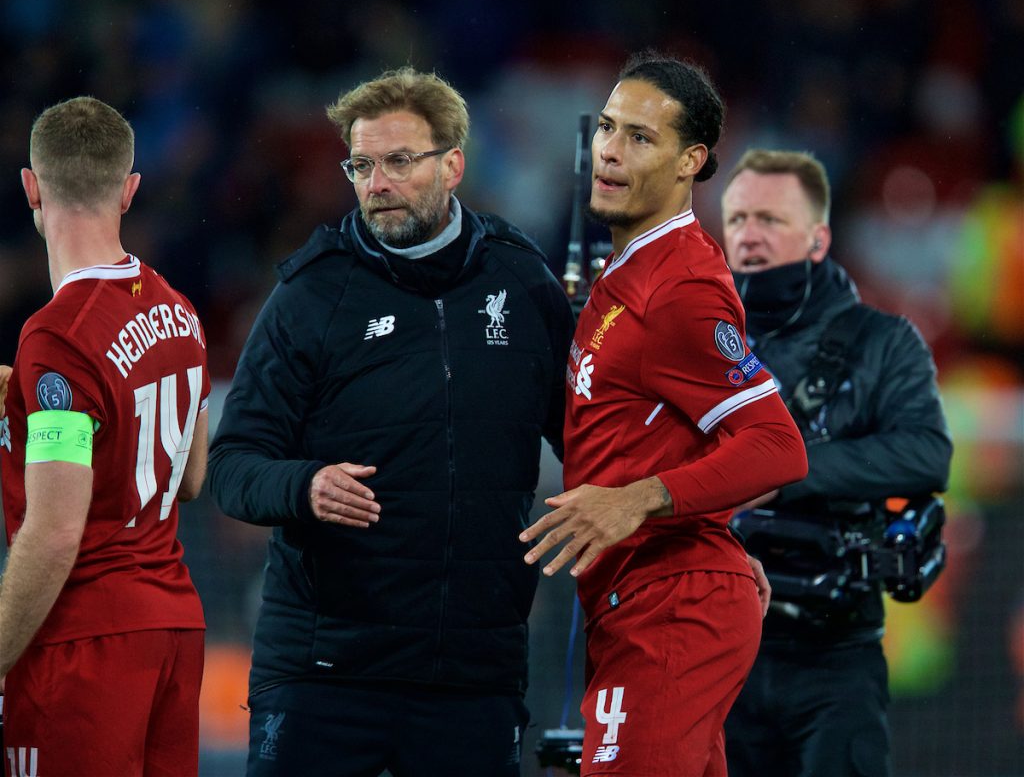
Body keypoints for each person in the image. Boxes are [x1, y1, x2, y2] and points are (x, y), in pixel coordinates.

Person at [206, 67, 576, 777]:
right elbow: (233, 466)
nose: (377, 183)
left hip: (473, 675)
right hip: (325, 671)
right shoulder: (310, 296)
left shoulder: (524, 286)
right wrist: (305, 485)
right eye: (362, 165)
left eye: (399, 161)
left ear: (453, 164)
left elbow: (590, 447)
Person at [520, 52, 808, 777]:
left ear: (691, 161)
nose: (612, 151)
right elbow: (637, 434)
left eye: (642, 138)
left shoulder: (681, 288)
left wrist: (639, 502)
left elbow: (777, 448)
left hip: (674, 608)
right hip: (641, 600)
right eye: (609, 129)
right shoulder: (627, 273)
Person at [719, 148, 953, 777]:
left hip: (835, 653)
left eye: (769, 219)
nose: (748, 236)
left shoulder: (884, 342)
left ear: (818, 238)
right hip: (717, 644)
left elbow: (927, 454)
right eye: (737, 219)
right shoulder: (700, 341)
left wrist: (784, 470)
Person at [0, 96, 210, 776]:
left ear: (30, 185)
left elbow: (56, 531)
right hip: (173, 631)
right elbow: (192, 473)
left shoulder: (57, 336)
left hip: (85, 643)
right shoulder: (178, 309)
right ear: (129, 191)